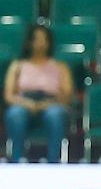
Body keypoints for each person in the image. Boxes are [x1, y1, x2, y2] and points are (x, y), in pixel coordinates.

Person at [4, 24, 72, 163]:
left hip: (51, 103)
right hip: (24, 103)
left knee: (55, 114)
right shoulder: (17, 66)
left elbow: (67, 95)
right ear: (29, 42)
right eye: (37, 39)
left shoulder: (60, 66)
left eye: (44, 39)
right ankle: (17, 160)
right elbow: (9, 95)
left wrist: (47, 103)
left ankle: (53, 161)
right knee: (15, 114)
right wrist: (27, 103)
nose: (40, 43)